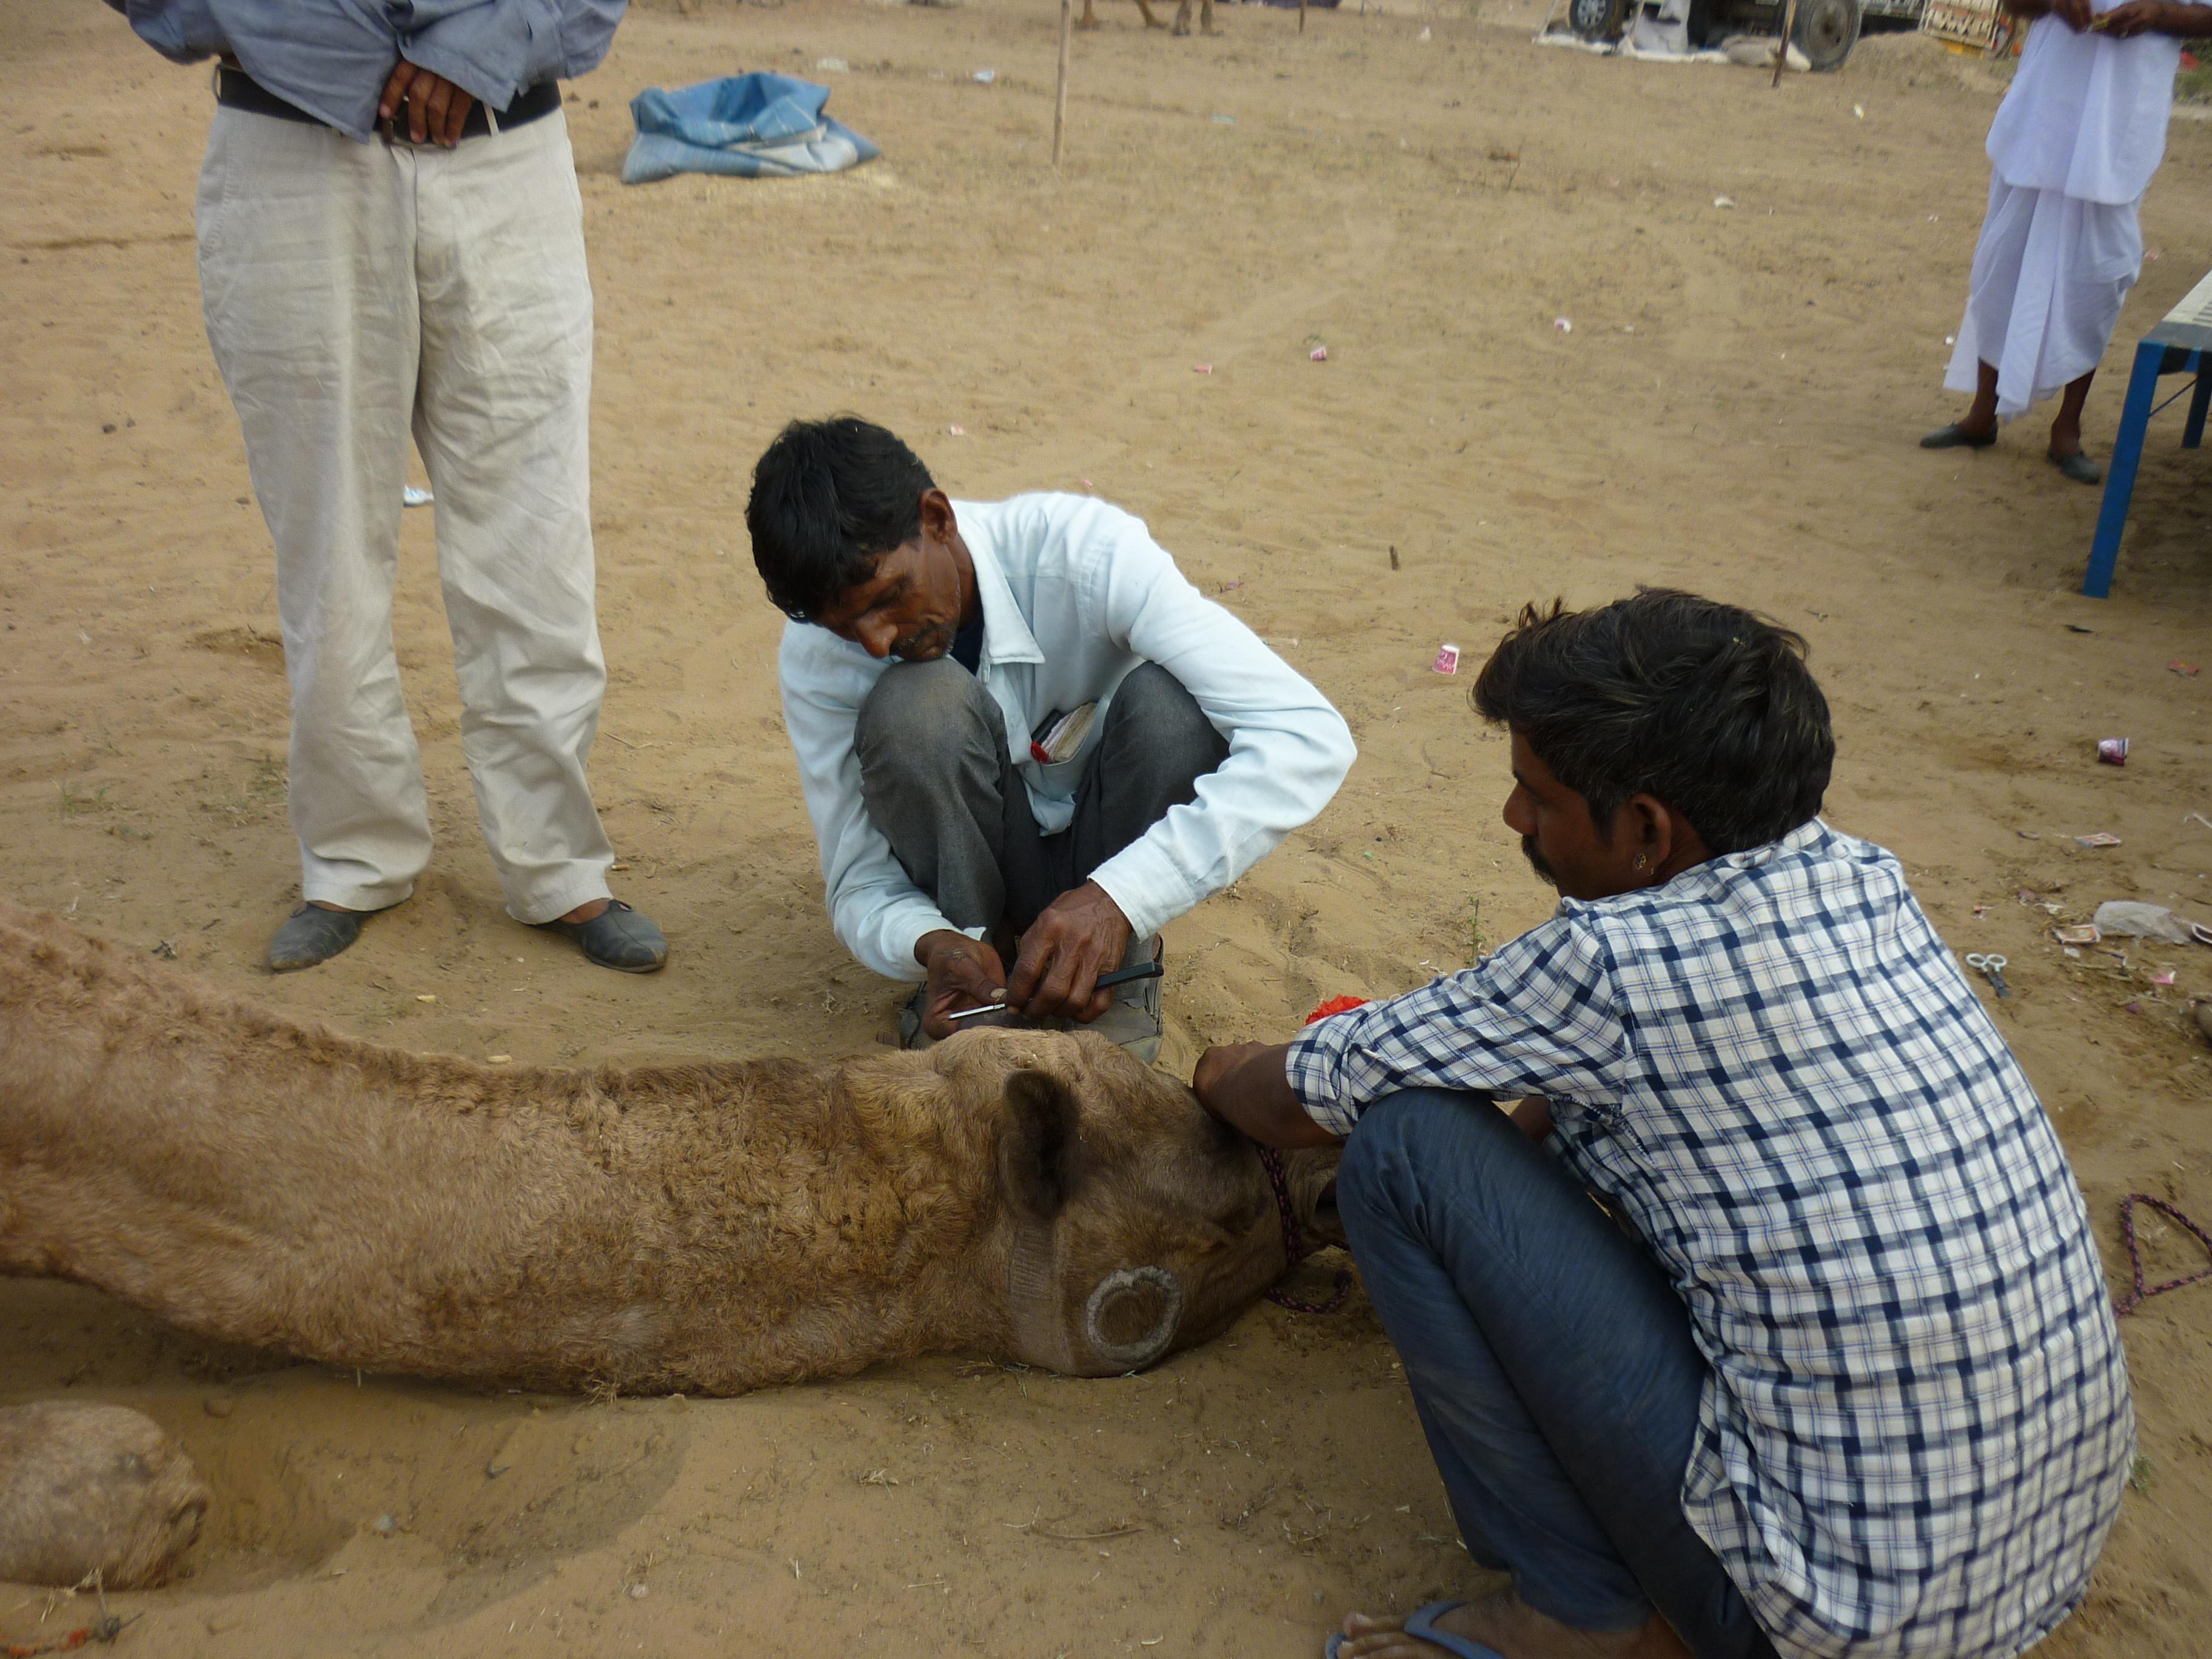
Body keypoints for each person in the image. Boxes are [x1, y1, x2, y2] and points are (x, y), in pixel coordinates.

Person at [1195, 591, 2133, 1659]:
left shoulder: (1609, 964)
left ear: (1646, 831)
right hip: (2032, 1561)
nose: (1514, 820)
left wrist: (1209, 1072)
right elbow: (1602, 1082)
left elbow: (1294, 1095)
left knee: (1405, 1151)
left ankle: (1580, 1609)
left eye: (1534, 797)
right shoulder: (1859, 880)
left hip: (1821, 1623)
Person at [109, 0, 667, 975]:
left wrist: (479, 47)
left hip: (507, 154)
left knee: (534, 541)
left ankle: (558, 865)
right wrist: (312, 44)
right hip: (292, 155)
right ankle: (352, 857)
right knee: (328, 546)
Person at [746, 417, 1356, 1059]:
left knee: (1177, 707)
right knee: (913, 709)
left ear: (937, 519)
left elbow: (1309, 737)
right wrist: (933, 941)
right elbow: (858, 880)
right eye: (846, 626)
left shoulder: (1086, 555)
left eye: (889, 596)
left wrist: (1122, 901)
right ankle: (987, 982)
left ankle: (1108, 972)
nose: (875, 641)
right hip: (972, 908)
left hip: (1108, 851)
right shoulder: (819, 657)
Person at [1922, 0, 2212, 484]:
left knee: (2097, 277)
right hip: (2044, 112)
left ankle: (2067, 429)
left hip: (2120, 125)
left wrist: (2157, 14)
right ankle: (1981, 413)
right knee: (2002, 263)